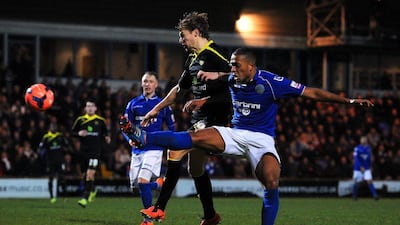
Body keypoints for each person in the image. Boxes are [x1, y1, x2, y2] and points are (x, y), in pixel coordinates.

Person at [123, 48, 374, 225]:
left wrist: (348, 101)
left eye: (236, 64)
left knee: (271, 181)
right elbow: (227, 79)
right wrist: (204, 95)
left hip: (262, 139)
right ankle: (144, 137)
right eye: (231, 64)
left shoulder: (272, 82)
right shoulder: (234, 77)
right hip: (235, 133)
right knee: (195, 137)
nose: (232, 68)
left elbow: (312, 93)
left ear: (251, 67)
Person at [139, 11, 232, 225]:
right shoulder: (193, 59)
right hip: (198, 121)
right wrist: (156, 109)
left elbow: (233, 90)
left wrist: (205, 101)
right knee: (195, 168)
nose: (181, 40)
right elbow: (180, 90)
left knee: (175, 149)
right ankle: (211, 216)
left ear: (196, 33)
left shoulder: (216, 56)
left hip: (214, 122)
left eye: (183, 35)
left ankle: (159, 209)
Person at [122, 71, 176, 225]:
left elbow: (172, 126)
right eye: (145, 81)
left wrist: (169, 144)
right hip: (137, 150)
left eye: (150, 81)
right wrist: (129, 140)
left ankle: (148, 219)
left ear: (156, 84)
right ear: (141, 84)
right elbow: (125, 127)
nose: (147, 84)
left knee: (142, 181)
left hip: (154, 148)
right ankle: (158, 184)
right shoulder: (133, 104)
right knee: (134, 186)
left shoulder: (162, 104)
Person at [72, 99, 111, 208]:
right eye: (88, 106)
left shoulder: (100, 120)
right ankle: (92, 190)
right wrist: (78, 133)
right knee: (85, 175)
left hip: (95, 152)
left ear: (95, 108)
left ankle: (85, 198)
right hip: (83, 152)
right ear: (85, 108)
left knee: (90, 174)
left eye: (92, 106)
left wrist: (107, 137)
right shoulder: (80, 120)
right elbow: (72, 132)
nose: (89, 108)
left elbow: (105, 132)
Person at [39, 123, 71, 203]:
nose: (54, 128)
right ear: (49, 128)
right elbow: (41, 148)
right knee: (51, 178)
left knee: (62, 178)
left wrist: (66, 150)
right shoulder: (46, 137)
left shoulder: (60, 136)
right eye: (52, 127)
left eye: (55, 127)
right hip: (51, 161)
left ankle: (64, 196)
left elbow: (67, 145)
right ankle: (52, 197)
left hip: (60, 161)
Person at [352, 136, 379, 200]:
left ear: (366, 141)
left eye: (364, 139)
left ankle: (375, 195)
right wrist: (360, 166)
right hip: (358, 168)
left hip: (366, 167)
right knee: (356, 182)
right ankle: (354, 196)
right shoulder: (357, 148)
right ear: (360, 141)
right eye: (362, 139)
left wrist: (370, 166)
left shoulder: (369, 148)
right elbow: (356, 158)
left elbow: (369, 158)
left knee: (369, 181)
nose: (363, 140)